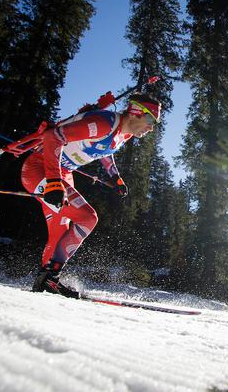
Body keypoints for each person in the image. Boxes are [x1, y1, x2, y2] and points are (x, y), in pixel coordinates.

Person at [20, 93, 161, 298]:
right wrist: (52, 182)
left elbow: (106, 149)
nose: (151, 127)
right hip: (40, 168)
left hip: (63, 173)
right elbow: (53, 137)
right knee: (87, 218)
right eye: (150, 120)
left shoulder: (124, 134)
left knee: (61, 230)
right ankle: (50, 277)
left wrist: (115, 177)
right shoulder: (103, 123)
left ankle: (45, 281)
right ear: (136, 112)